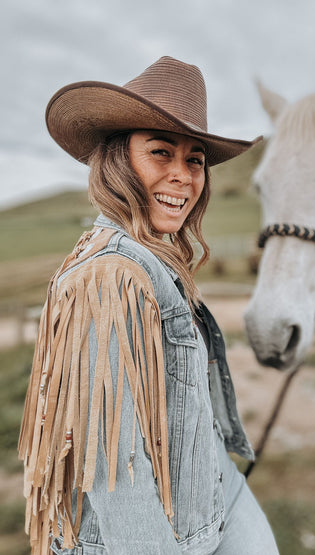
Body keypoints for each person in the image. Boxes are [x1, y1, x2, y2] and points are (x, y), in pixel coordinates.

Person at [18, 56, 279, 555]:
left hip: (209, 487)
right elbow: (114, 468)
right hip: (164, 533)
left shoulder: (151, 258)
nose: (182, 176)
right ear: (119, 160)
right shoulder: (110, 275)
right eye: (161, 152)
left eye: (195, 159)